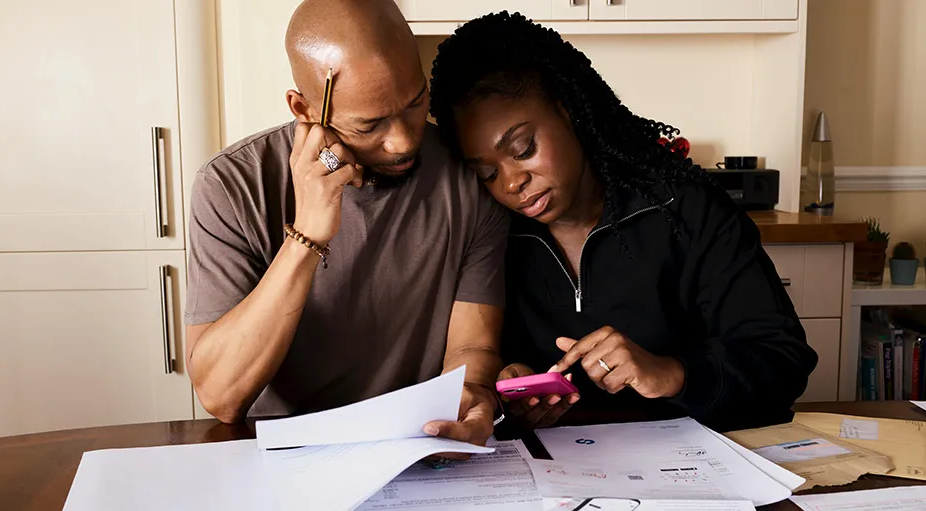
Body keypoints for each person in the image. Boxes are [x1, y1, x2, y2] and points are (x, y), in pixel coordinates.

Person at [428, 12, 818, 432]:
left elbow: (783, 362)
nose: (511, 182)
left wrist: (670, 373)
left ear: (569, 112)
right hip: (553, 474)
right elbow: (481, 361)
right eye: (486, 173)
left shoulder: (684, 209)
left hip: (691, 464)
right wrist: (511, 385)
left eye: (524, 148)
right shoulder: (492, 236)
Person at [182, 0, 508, 451]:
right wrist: (307, 236)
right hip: (280, 455)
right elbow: (222, 397)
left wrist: (472, 395)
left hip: (414, 446)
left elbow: (473, 349)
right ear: (304, 109)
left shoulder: (468, 175)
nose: (403, 140)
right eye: (370, 124)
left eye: (415, 103)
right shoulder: (231, 185)